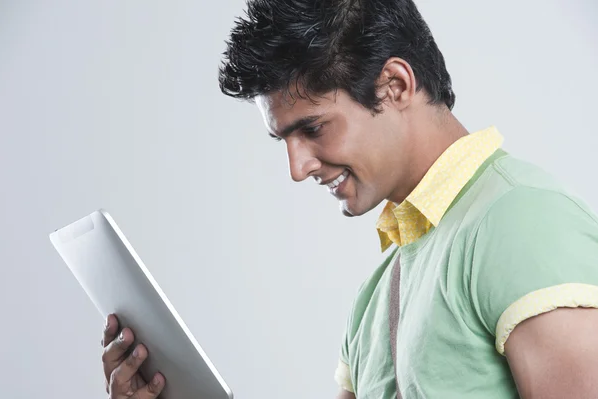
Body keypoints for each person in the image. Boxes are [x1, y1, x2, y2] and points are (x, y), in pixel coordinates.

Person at [100, 0, 598, 398]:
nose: (298, 169)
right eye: (285, 142)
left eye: (312, 128)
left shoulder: (520, 222)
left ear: (396, 84)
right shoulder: (380, 290)